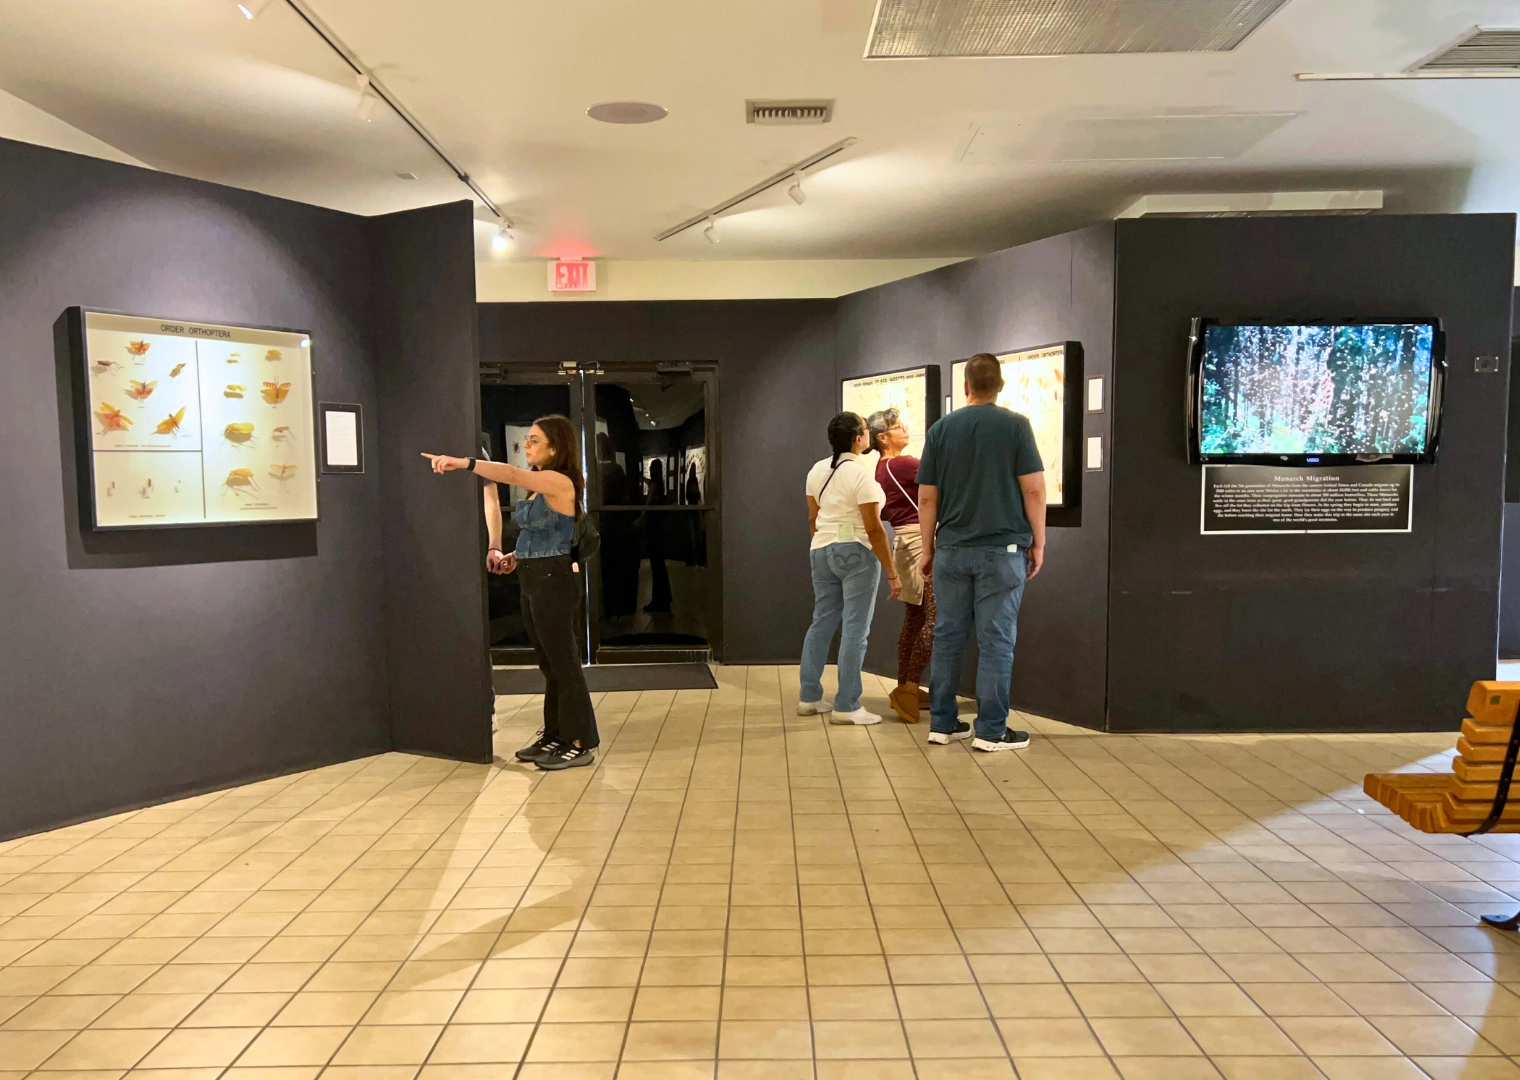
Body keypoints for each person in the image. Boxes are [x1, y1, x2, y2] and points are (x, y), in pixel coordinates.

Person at [423, 415, 598, 771]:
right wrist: (514, 557)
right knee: (550, 665)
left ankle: (580, 741)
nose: (527, 446)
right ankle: (555, 733)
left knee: (563, 663)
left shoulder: (557, 480)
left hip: (554, 581)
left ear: (555, 448)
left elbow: (512, 475)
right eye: (528, 439)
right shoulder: (540, 487)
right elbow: (548, 535)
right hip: (534, 577)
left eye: (535, 440)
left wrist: (464, 463)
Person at [917, 354, 1046, 752]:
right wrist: (1038, 542)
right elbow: (1034, 489)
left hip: (951, 550)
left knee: (947, 638)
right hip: (1002, 549)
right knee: (996, 642)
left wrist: (927, 548)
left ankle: (942, 724)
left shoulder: (941, 429)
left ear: (966, 387)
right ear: (1000, 386)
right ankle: (991, 730)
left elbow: (927, 496)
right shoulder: (1015, 426)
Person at [799, 412, 902, 724]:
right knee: (855, 631)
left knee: (821, 623)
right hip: (856, 552)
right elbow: (873, 528)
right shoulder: (861, 474)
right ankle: (847, 705)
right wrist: (892, 572)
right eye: (866, 430)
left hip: (820, 550)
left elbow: (812, 518)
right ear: (859, 439)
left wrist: (826, 543)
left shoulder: (816, 470)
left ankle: (809, 697)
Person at [866, 408, 934, 724]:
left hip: (903, 542)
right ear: (883, 437)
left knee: (914, 616)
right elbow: (940, 478)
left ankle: (906, 684)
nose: (904, 429)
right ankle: (908, 687)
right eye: (897, 427)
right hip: (921, 540)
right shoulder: (904, 464)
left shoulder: (881, 468)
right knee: (936, 618)